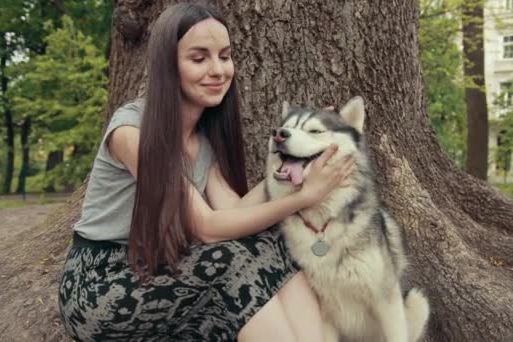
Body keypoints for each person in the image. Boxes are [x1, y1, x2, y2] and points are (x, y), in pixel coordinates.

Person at [58, 2, 354, 341]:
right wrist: (306, 196)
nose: (218, 70)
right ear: (168, 66)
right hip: (98, 287)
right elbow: (208, 229)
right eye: (199, 59)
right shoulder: (132, 132)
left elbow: (233, 215)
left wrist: (292, 159)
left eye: (225, 56)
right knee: (230, 262)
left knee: (274, 242)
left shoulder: (203, 143)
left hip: (156, 271)